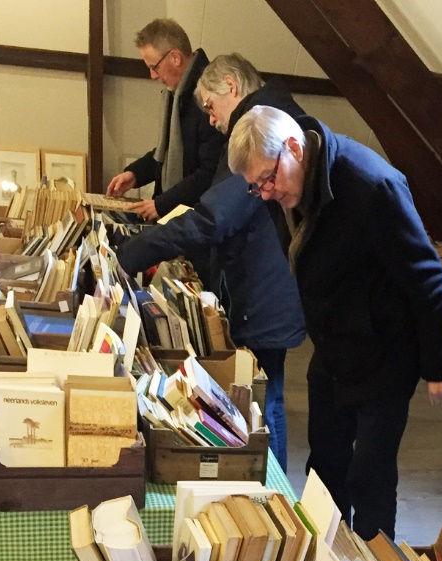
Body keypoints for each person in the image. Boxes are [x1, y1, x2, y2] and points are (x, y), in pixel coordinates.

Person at [227, 106, 442, 540]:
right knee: (326, 466)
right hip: (334, 349)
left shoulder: (372, 187)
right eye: (256, 188)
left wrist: (439, 364)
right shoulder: (284, 188)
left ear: (293, 148)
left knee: (369, 477)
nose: (267, 193)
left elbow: (427, 275)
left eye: (267, 179)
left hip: (385, 354)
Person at [117, 54, 306, 472]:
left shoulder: (258, 133)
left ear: (232, 88)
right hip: (265, 287)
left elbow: (213, 217)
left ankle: (269, 485)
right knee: (263, 392)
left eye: (210, 107)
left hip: (267, 293)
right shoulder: (262, 122)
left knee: (265, 397)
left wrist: (136, 252)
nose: (211, 119)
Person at [105, 19, 223, 223]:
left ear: (175, 58)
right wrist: (135, 174)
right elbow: (166, 153)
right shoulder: (176, 94)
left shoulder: (207, 95)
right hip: (176, 211)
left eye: (154, 67)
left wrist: (162, 204)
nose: (152, 75)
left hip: (194, 220)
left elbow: (208, 173)